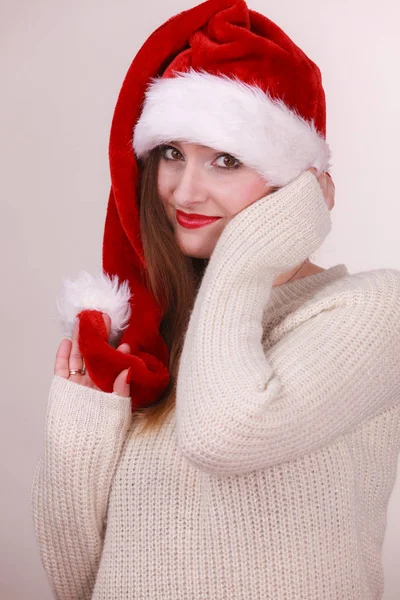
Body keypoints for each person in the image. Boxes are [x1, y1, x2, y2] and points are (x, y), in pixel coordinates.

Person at [31, 1, 400, 599]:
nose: (184, 189)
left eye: (226, 160)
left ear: (297, 185)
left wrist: (251, 253)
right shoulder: (151, 338)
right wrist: (82, 427)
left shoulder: (373, 312)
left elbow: (223, 436)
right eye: (172, 152)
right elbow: (76, 580)